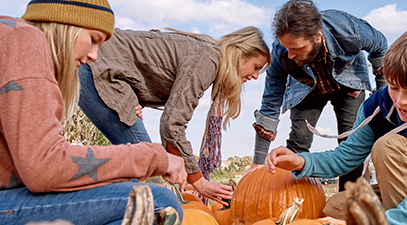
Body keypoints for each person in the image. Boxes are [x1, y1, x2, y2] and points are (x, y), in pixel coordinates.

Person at [0, 0, 187, 225]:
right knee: (159, 206)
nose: (93, 57)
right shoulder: (26, 40)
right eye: (93, 39)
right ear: (66, 24)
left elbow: (39, 162)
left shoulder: (11, 38)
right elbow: (44, 167)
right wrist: (154, 157)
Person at [265, 29, 407, 225]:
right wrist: (301, 162)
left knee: (387, 146)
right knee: (336, 207)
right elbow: (345, 157)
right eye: (394, 87)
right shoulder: (378, 104)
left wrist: (374, 224)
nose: (401, 101)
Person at [78, 26, 271, 205]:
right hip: (97, 66)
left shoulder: (205, 53)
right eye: (256, 67)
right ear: (240, 54)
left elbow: (145, 64)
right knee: (147, 162)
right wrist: (198, 181)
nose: (255, 76)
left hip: (101, 65)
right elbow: (172, 126)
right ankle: (92, 208)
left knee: (142, 162)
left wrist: (135, 98)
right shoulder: (207, 60)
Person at [250, 0, 388, 192]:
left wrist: (383, 94)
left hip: (349, 84)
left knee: (351, 139)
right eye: (286, 48)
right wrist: (257, 160)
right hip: (306, 87)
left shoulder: (349, 31)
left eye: (296, 49)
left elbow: (380, 45)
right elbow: (271, 104)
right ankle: (291, 196)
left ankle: (348, 196)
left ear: (317, 36)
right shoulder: (282, 54)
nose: (289, 54)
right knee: (299, 137)